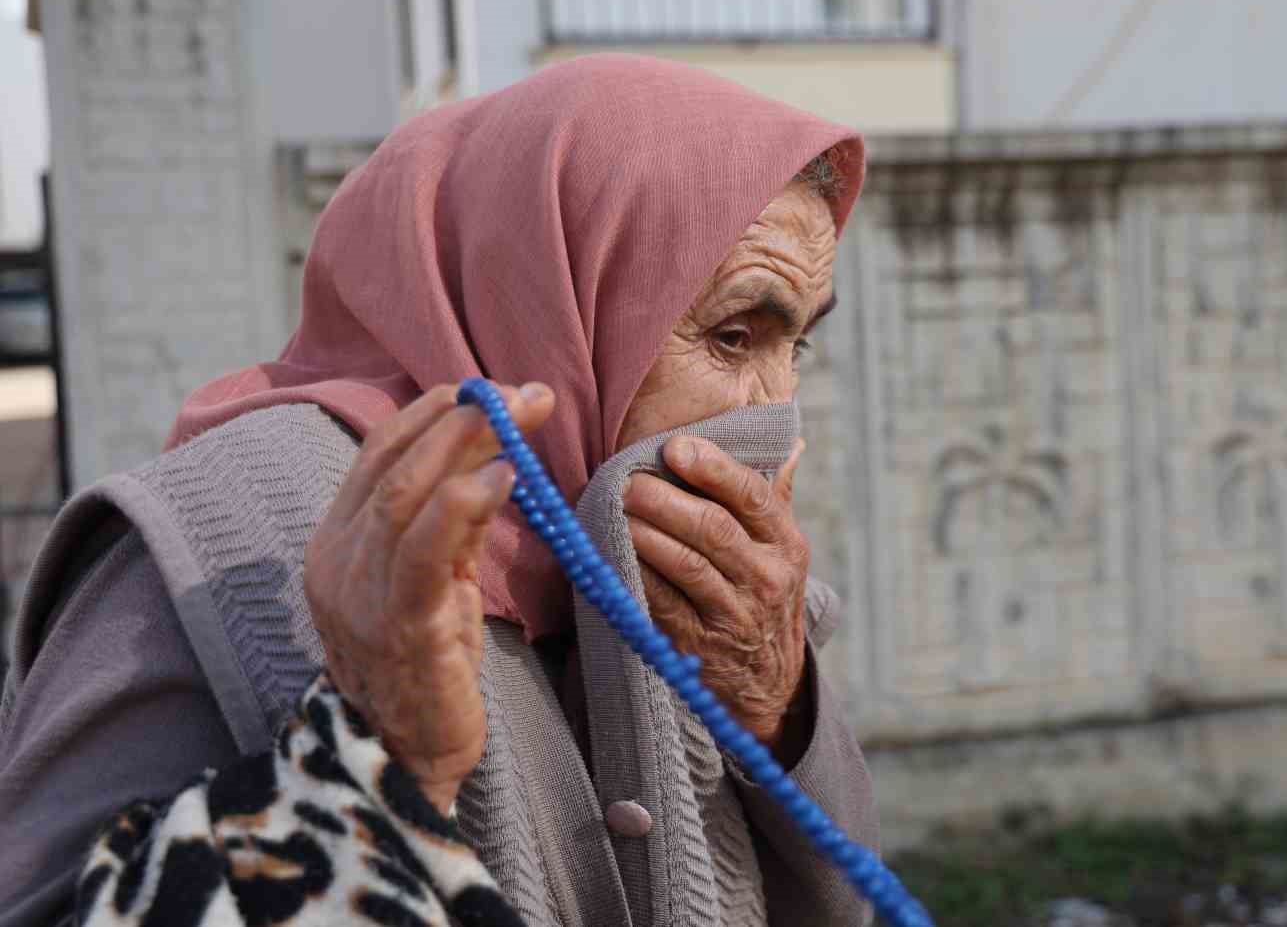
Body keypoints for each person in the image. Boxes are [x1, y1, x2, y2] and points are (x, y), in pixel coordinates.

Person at [0, 54, 878, 927]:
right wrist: (374, 767)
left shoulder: (684, 580)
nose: (776, 412)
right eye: (733, 338)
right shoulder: (226, 539)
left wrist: (772, 706)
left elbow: (848, 899)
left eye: (794, 346)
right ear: (542, 300)